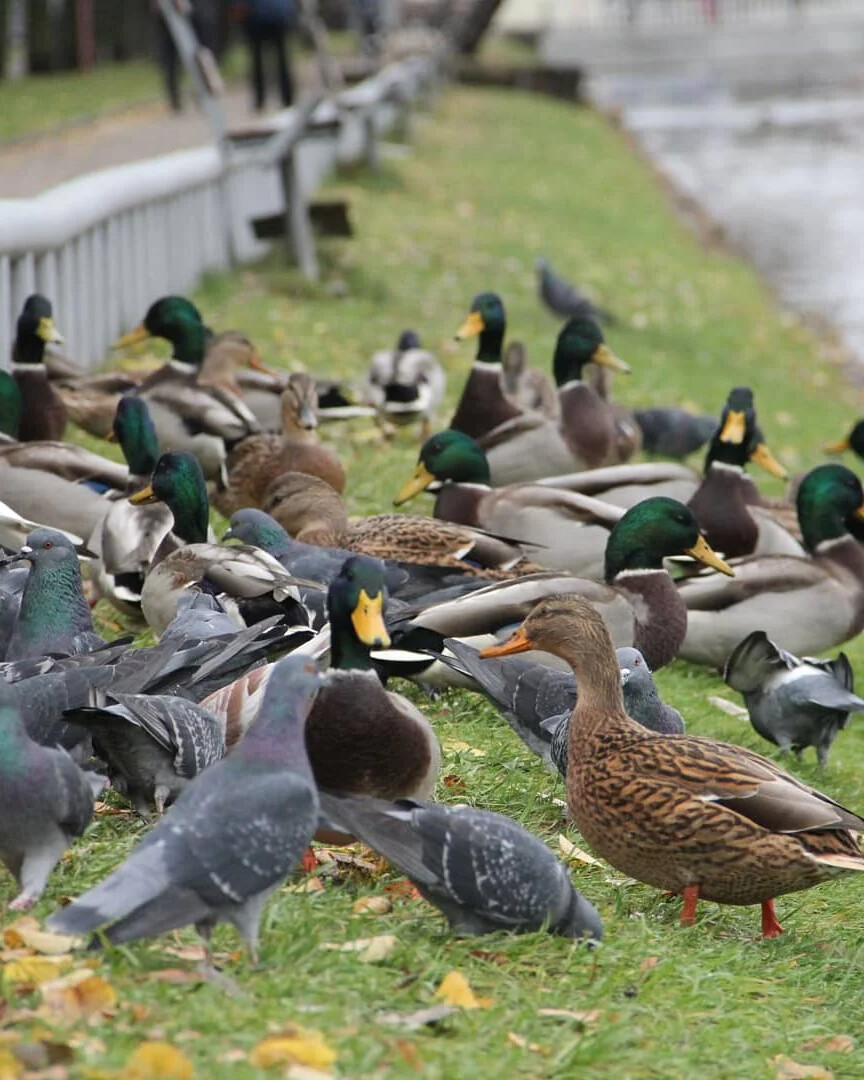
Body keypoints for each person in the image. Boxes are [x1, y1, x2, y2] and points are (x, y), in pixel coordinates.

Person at [153, 0, 218, 113]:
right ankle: (175, 98)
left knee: (200, 55)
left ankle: (204, 92)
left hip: (194, 12)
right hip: (169, 14)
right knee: (171, 59)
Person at [240, 0, 297, 112]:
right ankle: (284, 99)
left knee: (276, 60)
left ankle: (280, 98)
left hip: (265, 14)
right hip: (269, 14)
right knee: (264, 61)